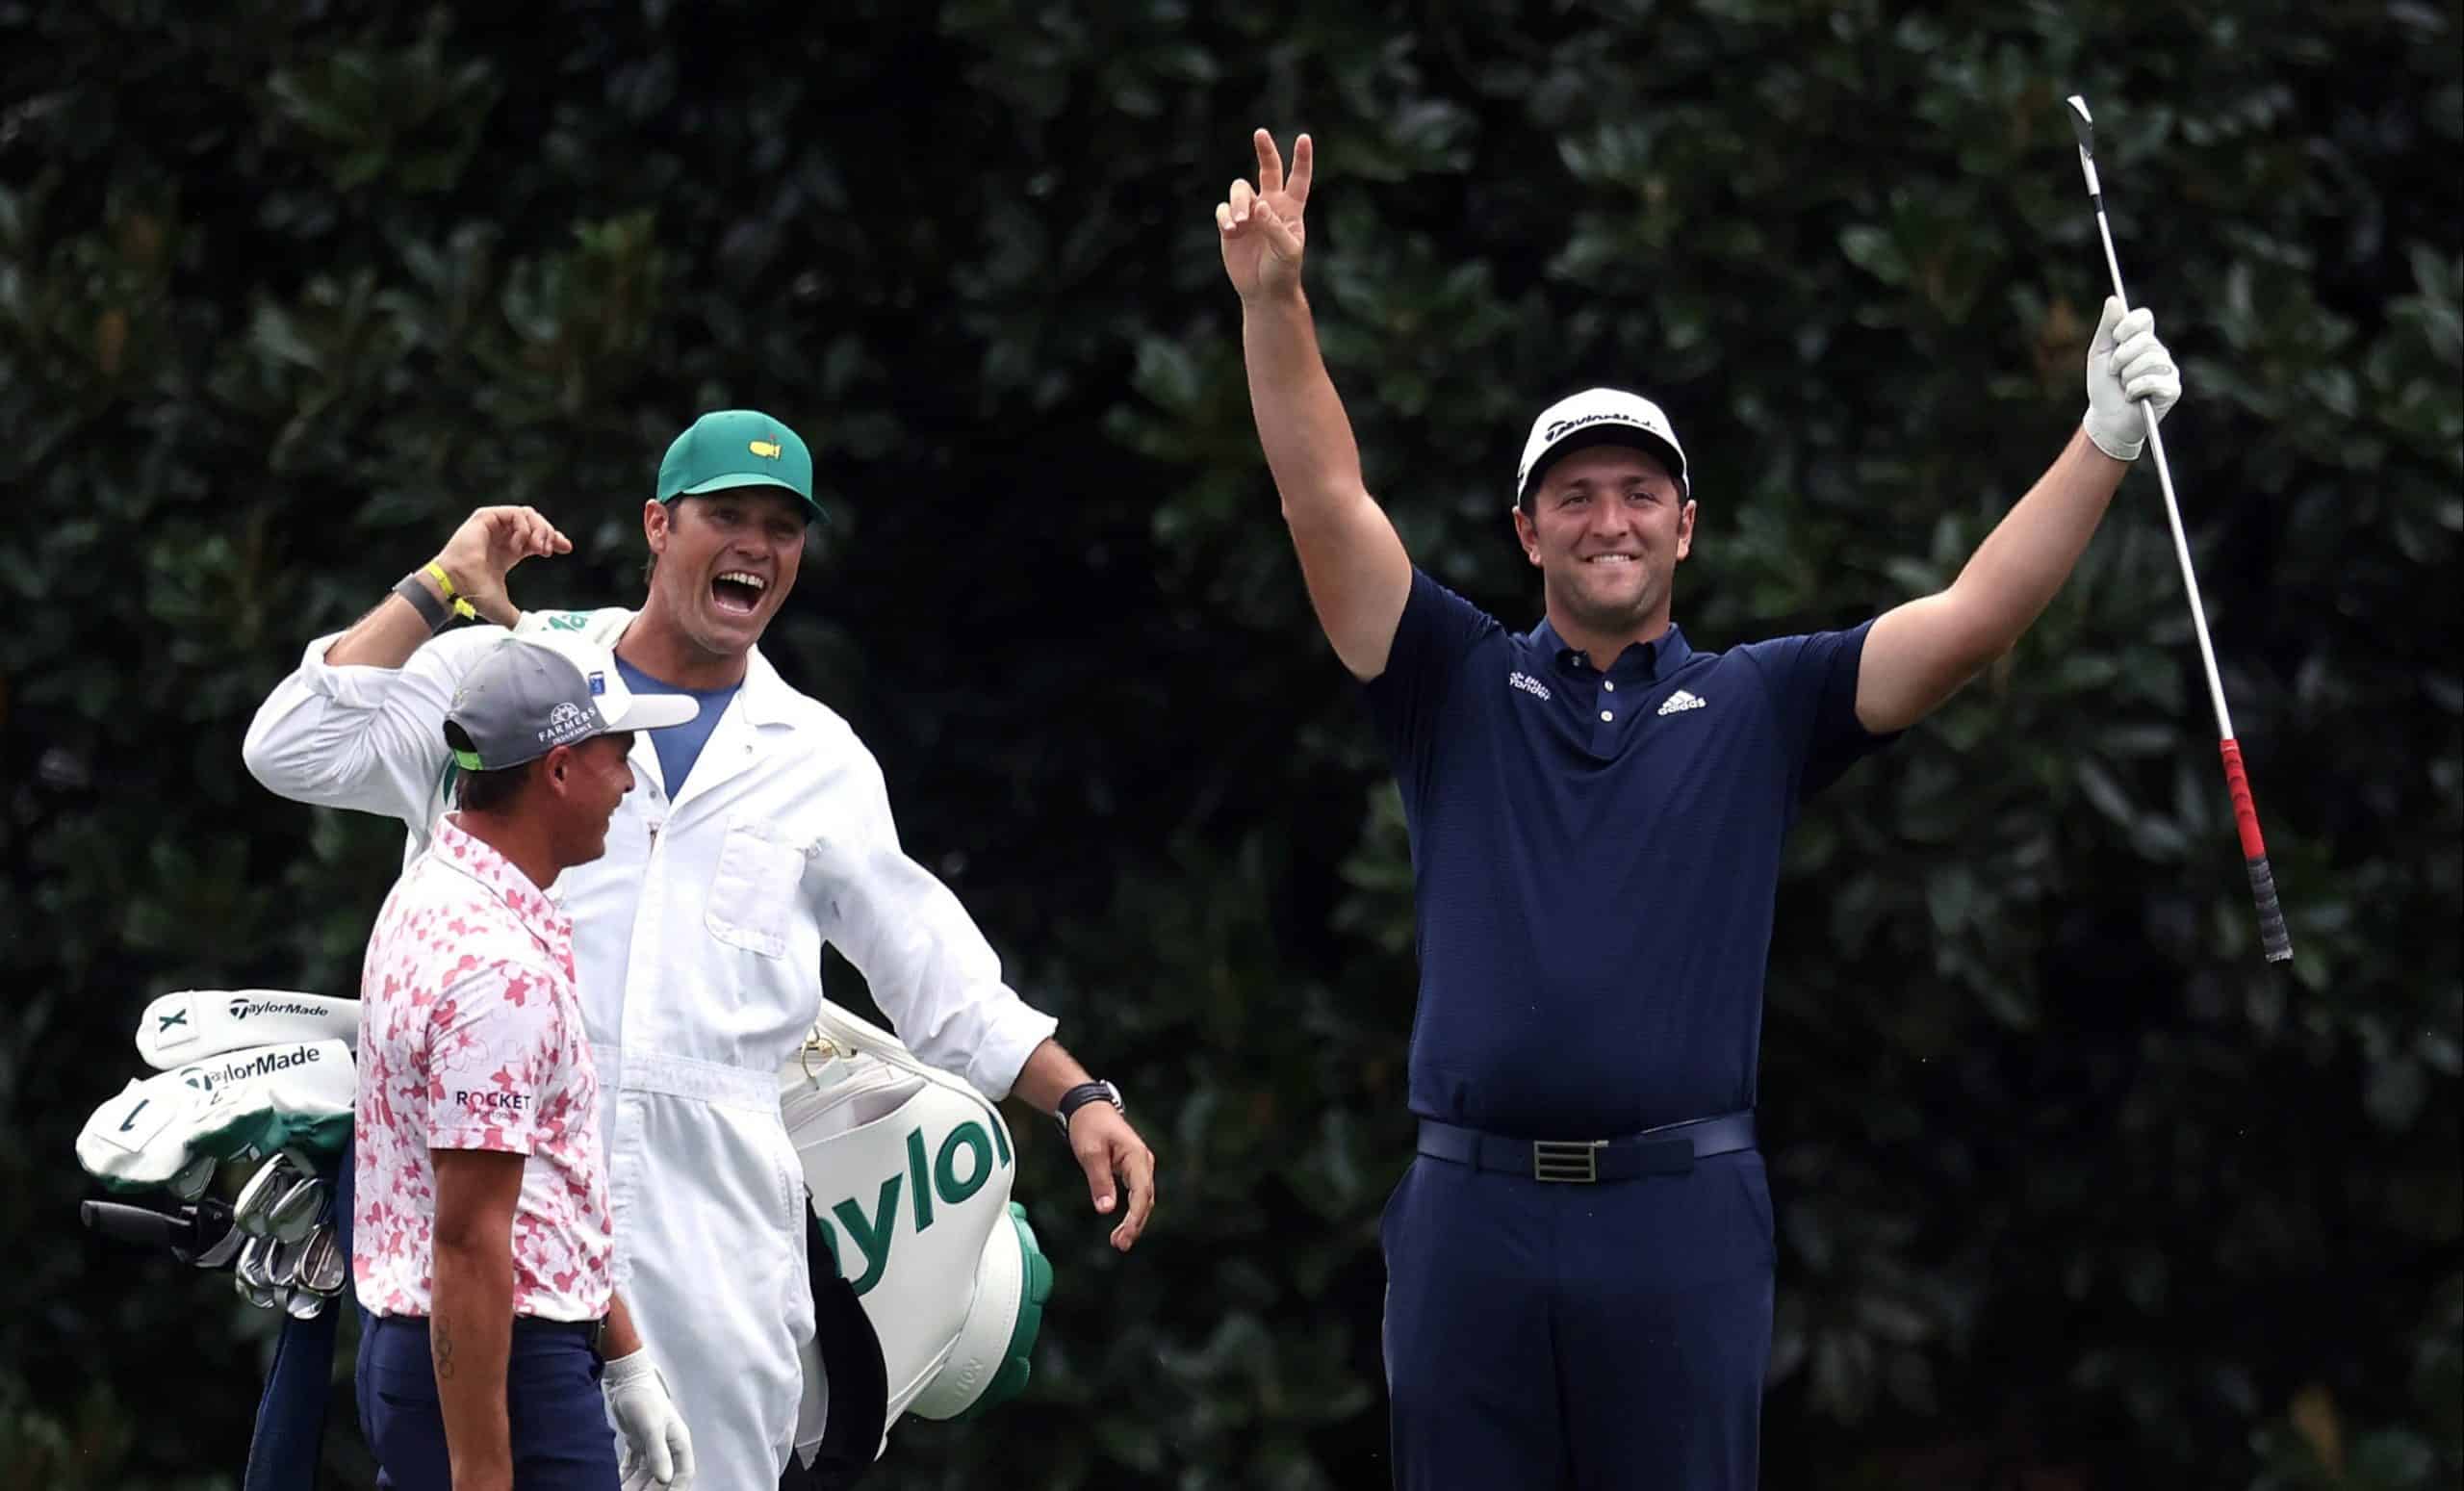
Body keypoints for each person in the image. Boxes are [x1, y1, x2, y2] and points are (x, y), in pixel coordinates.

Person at [1213, 129, 2181, 1489]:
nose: (1610, 517)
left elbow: (1965, 624)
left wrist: (2099, 441)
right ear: (1529, 532)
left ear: (1686, 526)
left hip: (1680, 1216)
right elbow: (1324, 499)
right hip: (1468, 1211)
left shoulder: (1762, 702)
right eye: (1576, 495)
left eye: (1640, 492)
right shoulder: (1452, 680)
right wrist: (1276, 303)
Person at [244, 410, 1158, 1490]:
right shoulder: (522, 674)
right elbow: (294, 743)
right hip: (507, 1214)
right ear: (658, 525)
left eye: (782, 526)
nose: (755, 547)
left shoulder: (817, 754)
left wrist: (1079, 1096)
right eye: (726, 515)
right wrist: (438, 583)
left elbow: (937, 976)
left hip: (714, 1235)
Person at [352, 633, 700, 1490]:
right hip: (501, 1375)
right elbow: (469, 1240)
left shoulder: (433, 890)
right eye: (617, 754)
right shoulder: (495, 967)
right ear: (556, 769)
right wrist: (482, 1470)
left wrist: (621, 1359)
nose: (627, 781)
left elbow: (537, 1191)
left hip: (475, 1358)